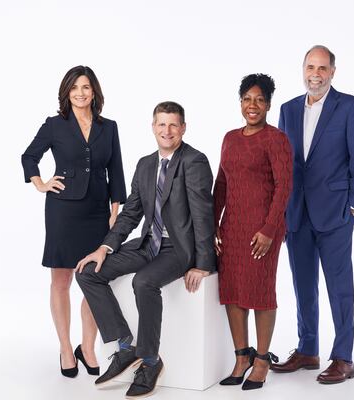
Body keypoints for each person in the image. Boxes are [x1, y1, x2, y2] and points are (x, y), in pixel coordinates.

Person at [75, 101, 216, 398]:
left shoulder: (194, 161)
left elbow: (204, 214)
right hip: (146, 243)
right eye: (161, 124)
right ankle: (126, 346)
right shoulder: (145, 164)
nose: (167, 131)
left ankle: (150, 360)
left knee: (144, 282)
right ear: (153, 127)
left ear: (184, 128)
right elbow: (131, 213)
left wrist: (203, 263)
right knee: (88, 272)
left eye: (173, 124)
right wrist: (104, 247)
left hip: (178, 248)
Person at [271, 45, 354, 384]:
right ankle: (308, 349)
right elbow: (286, 165)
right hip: (296, 214)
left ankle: (343, 357)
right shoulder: (287, 110)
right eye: (310, 67)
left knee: (340, 288)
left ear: (332, 71)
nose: (316, 73)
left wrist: (353, 205)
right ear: (303, 69)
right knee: (303, 286)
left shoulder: (350, 107)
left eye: (322, 68)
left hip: (335, 214)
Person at [21, 66, 127, 378]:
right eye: (74, 88)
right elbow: (29, 156)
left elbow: (117, 170)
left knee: (94, 280)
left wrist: (115, 209)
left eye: (86, 87)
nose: (81, 93)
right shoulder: (55, 125)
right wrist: (40, 183)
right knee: (62, 281)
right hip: (63, 211)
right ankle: (66, 348)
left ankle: (88, 346)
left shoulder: (109, 127)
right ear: (67, 93)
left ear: (95, 91)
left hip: (97, 211)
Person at [213, 74, 293, 390]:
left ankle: (262, 361)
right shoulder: (230, 138)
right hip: (231, 226)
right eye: (247, 98)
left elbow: (284, 186)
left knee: (259, 292)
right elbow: (221, 184)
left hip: (263, 230)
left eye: (259, 99)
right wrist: (211, 226)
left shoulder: (276, 139)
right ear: (240, 102)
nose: (253, 105)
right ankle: (241, 357)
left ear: (269, 104)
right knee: (232, 291)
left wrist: (270, 229)